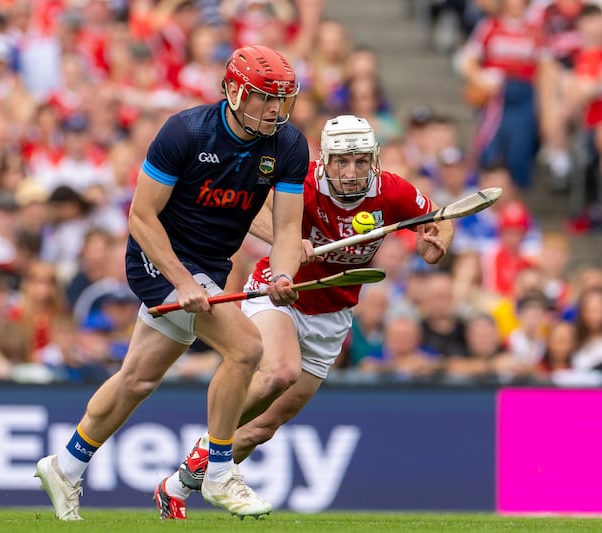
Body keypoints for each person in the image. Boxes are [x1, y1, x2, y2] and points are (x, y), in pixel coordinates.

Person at [34, 44, 307, 521]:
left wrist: (283, 273)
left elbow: (285, 229)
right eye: (265, 98)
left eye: (281, 99)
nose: (275, 109)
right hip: (159, 258)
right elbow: (141, 216)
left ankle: (65, 465)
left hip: (211, 266)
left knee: (138, 378)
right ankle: (219, 471)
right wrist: (182, 281)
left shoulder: (287, 145)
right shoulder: (186, 131)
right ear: (236, 92)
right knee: (246, 348)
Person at [153, 114, 453, 519]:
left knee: (260, 429)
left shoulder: (391, 190)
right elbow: (252, 209)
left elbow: (438, 219)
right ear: (325, 160)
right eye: (341, 162)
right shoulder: (303, 181)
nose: (351, 172)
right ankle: (212, 445)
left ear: (374, 159)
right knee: (280, 372)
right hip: (279, 294)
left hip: (333, 315)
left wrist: (436, 243)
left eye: (360, 161)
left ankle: (176, 486)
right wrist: (288, 239)